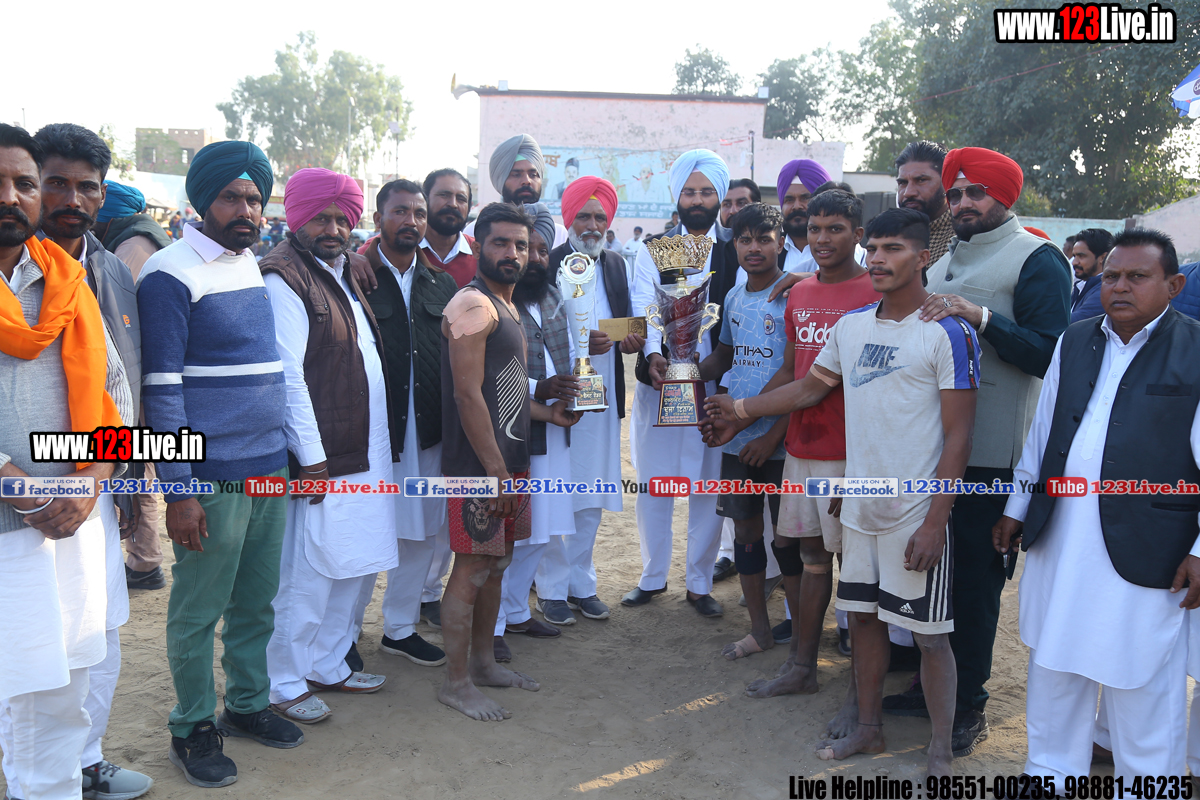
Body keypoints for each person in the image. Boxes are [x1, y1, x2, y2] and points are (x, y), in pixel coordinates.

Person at [706, 206, 980, 778]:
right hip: (856, 506)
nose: (878, 259)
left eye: (892, 249)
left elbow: (959, 437)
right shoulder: (851, 326)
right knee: (863, 621)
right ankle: (869, 728)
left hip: (913, 513)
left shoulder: (947, 332)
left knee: (930, 638)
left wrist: (936, 521)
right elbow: (809, 388)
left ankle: (939, 750)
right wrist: (743, 408)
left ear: (922, 258)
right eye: (873, 248)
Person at [994, 228, 1200, 779]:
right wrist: (1017, 507)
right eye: (1111, 276)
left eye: (1137, 277)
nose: (1120, 287)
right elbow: (1042, 433)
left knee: (1142, 675)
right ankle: (1049, 775)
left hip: (1151, 544)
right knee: (1055, 659)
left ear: (1174, 285)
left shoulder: (1195, 349)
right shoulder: (1075, 338)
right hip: (1062, 535)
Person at [138, 140, 301, 787]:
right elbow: (162, 390)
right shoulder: (169, 273)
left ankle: (247, 703)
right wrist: (179, 491)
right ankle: (192, 727)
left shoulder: (250, 264)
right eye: (232, 197)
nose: (247, 209)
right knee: (199, 607)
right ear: (203, 200)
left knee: (257, 601)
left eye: (256, 198)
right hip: (210, 476)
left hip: (268, 468)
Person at [903, 146, 1071, 756]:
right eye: (955, 193)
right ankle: (930, 689)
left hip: (995, 455)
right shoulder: (946, 257)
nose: (962, 202)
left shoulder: (1038, 258)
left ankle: (968, 704)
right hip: (931, 450)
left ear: (1004, 196)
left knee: (974, 583)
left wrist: (983, 317)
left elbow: (1052, 354)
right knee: (931, 575)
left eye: (976, 192)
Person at [708, 190, 880, 714]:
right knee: (810, 558)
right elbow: (792, 369)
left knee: (857, 567)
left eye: (835, 229)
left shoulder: (875, 291)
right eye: (816, 229)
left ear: (858, 234)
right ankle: (802, 667)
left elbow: (813, 385)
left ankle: (861, 692)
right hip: (803, 446)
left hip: (852, 452)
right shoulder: (800, 293)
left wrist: (743, 414)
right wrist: (732, 411)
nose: (822, 239)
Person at [21, 122, 153, 800]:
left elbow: (122, 385)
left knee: (95, 634)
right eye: (56, 183)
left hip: (96, 485)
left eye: (87, 187)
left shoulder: (110, 271)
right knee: (32, 650)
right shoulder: (19, 272)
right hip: (25, 502)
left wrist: (116, 480)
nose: (72, 198)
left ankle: (86, 762)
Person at [259, 169, 396, 725]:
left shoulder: (342, 271)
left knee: (354, 562)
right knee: (308, 572)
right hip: (324, 456)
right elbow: (288, 376)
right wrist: (312, 459)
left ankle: (328, 662)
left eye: (342, 218)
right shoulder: (284, 278)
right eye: (322, 218)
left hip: (366, 449)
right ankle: (283, 682)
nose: (334, 228)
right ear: (297, 218)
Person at [437, 202, 571, 720]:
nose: (514, 253)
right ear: (478, 245)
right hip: (480, 468)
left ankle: (484, 664)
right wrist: (494, 472)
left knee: (496, 566)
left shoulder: (507, 306)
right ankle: (456, 684)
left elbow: (505, 391)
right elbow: (468, 395)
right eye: (501, 243)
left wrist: (549, 415)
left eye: (522, 244)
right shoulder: (472, 304)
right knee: (472, 569)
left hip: (509, 462)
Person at [625, 149, 738, 618]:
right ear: (677, 195)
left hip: (716, 385)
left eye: (706, 192)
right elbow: (644, 305)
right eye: (689, 191)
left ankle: (699, 583)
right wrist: (654, 354)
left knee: (708, 487)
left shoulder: (734, 249)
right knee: (655, 482)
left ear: (719, 196)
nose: (697, 200)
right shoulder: (657, 248)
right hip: (662, 383)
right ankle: (652, 577)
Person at [351, 179, 458, 669]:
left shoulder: (442, 283)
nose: (411, 221)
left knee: (420, 534)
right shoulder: (354, 275)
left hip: (428, 432)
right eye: (400, 211)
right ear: (379, 219)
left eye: (418, 213)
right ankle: (344, 635)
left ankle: (399, 629)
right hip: (375, 434)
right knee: (367, 532)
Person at [536, 178, 643, 626]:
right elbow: (536, 326)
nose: (593, 225)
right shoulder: (545, 263)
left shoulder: (615, 264)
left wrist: (626, 337)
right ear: (568, 219)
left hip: (602, 397)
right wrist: (580, 340)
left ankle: (582, 583)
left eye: (600, 217)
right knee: (556, 489)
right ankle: (551, 588)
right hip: (559, 395)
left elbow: (627, 324)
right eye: (584, 215)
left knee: (591, 491)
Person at [696, 203, 790, 659]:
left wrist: (771, 436)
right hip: (737, 441)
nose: (754, 248)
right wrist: (682, 372)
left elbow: (804, 376)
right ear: (734, 245)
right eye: (745, 240)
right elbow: (725, 358)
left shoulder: (796, 296)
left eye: (764, 239)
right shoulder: (733, 298)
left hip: (784, 442)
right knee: (747, 535)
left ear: (781, 243)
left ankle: (800, 633)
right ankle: (759, 630)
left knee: (791, 542)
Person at [493, 203, 582, 657]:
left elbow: (570, 356)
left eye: (544, 250)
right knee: (509, 533)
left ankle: (515, 612)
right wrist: (538, 388)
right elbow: (489, 373)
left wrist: (579, 392)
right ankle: (490, 627)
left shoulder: (553, 297)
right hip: (512, 434)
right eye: (530, 248)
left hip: (554, 432)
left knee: (542, 530)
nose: (537, 258)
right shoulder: (494, 299)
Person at [473, 134, 567, 247]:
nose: (527, 181)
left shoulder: (560, 235)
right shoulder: (476, 231)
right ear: (501, 180)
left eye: (533, 175)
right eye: (516, 174)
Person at [895, 141, 953, 266]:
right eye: (903, 183)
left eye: (921, 180)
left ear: (947, 182)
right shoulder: (890, 235)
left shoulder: (963, 238)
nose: (908, 193)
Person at [421, 168, 477, 289]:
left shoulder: (481, 255)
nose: (453, 204)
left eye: (461, 199)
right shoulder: (401, 248)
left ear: (469, 206)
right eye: (444, 195)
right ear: (424, 200)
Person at [1069, 228, 1114, 323]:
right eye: (1074, 256)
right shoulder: (1082, 286)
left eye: (1081, 256)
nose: (1074, 262)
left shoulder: (1104, 290)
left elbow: (1073, 322)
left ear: (1103, 258)